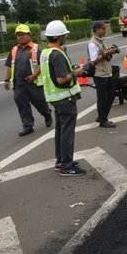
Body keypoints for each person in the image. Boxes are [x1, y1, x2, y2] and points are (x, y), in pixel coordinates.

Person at [40, 20, 86, 176]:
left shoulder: (45, 53)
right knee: (67, 132)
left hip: (55, 98)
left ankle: (61, 161)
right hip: (65, 98)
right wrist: (76, 73)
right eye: (64, 35)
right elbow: (61, 79)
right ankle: (67, 166)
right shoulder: (58, 55)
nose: (65, 37)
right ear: (60, 37)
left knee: (60, 129)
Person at [4, 24, 52, 137]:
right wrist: (6, 80)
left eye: (23, 35)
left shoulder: (37, 48)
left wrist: (34, 76)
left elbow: (42, 64)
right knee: (22, 105)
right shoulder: (14, 50)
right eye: (18, 35)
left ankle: (47, 114)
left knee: (40, 102)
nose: (20, 37)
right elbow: (9, 66)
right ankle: (28, 126)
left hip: (34, 83)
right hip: (19, 84)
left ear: (29, 35)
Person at [88, 21, 118, 128]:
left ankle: (101, 116)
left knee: (111, 95)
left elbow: (105, 54)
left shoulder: (102, 41)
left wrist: (111, 51)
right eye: (103, 29)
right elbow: (94, 60)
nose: (105, 31)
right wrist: (107, 53)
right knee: (102, 98)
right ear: (96, 30)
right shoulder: (92, 43)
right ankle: (103, 120)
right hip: (99, 74)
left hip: (107, 72)